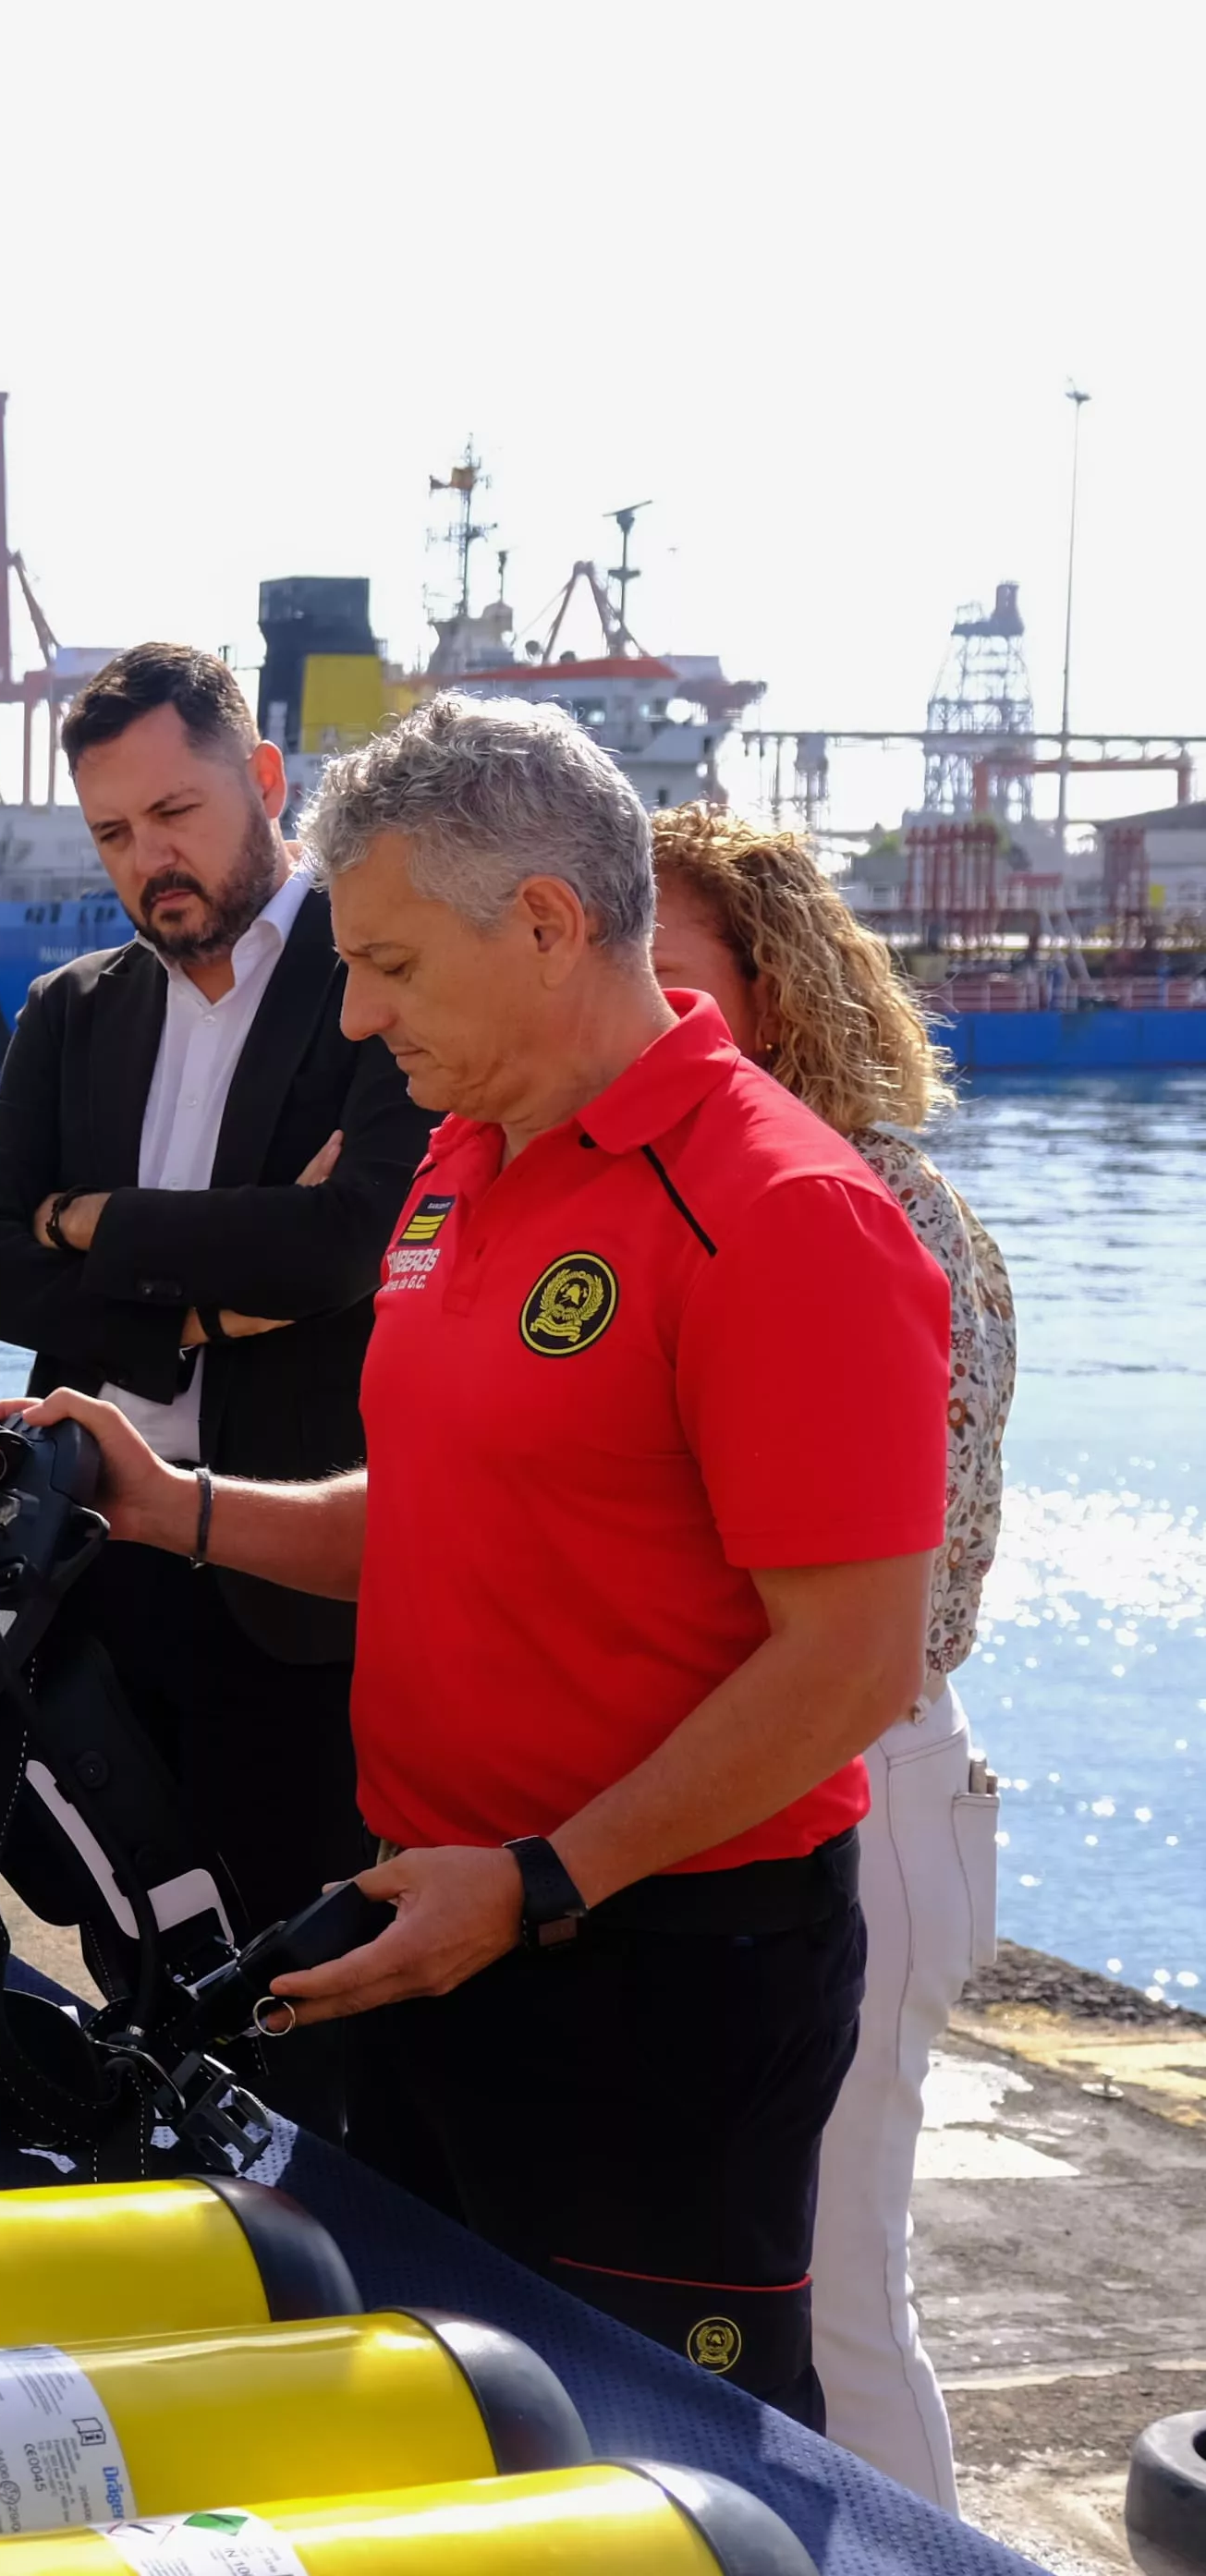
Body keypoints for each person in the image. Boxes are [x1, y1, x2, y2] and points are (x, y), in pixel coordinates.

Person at [13, 695, 949, 2429]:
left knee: (661, 2480)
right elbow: (447, 1503)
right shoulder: (461, 1157)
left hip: (654, 1974)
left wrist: (538, 1879)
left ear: (538, 924)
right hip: (435, 1924)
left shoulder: (780, 1215)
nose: (355, 1016)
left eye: (386, 967)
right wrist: (177, 1502)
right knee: (453, 2436)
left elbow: (845, 1665)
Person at [0, 644, 432, 2128]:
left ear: (265, 782)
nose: (150, 858)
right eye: (113, 833)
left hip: (294, 1579)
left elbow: (344, 1246)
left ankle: (313, 2264)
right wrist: (204, 1311)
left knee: (306, 1981)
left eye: (179, 811)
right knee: (129, 1949)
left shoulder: (376, 984)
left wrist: (91, 1223)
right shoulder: (76, 1012)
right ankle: (155, 2191)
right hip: (105, 1559)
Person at [650, 803, 1011, 2508]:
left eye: (666, 982)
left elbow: (898, 1621)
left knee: (840, 2307)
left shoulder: (865, 1215)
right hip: (788, 1780)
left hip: (855, 1782)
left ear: (772, 996)